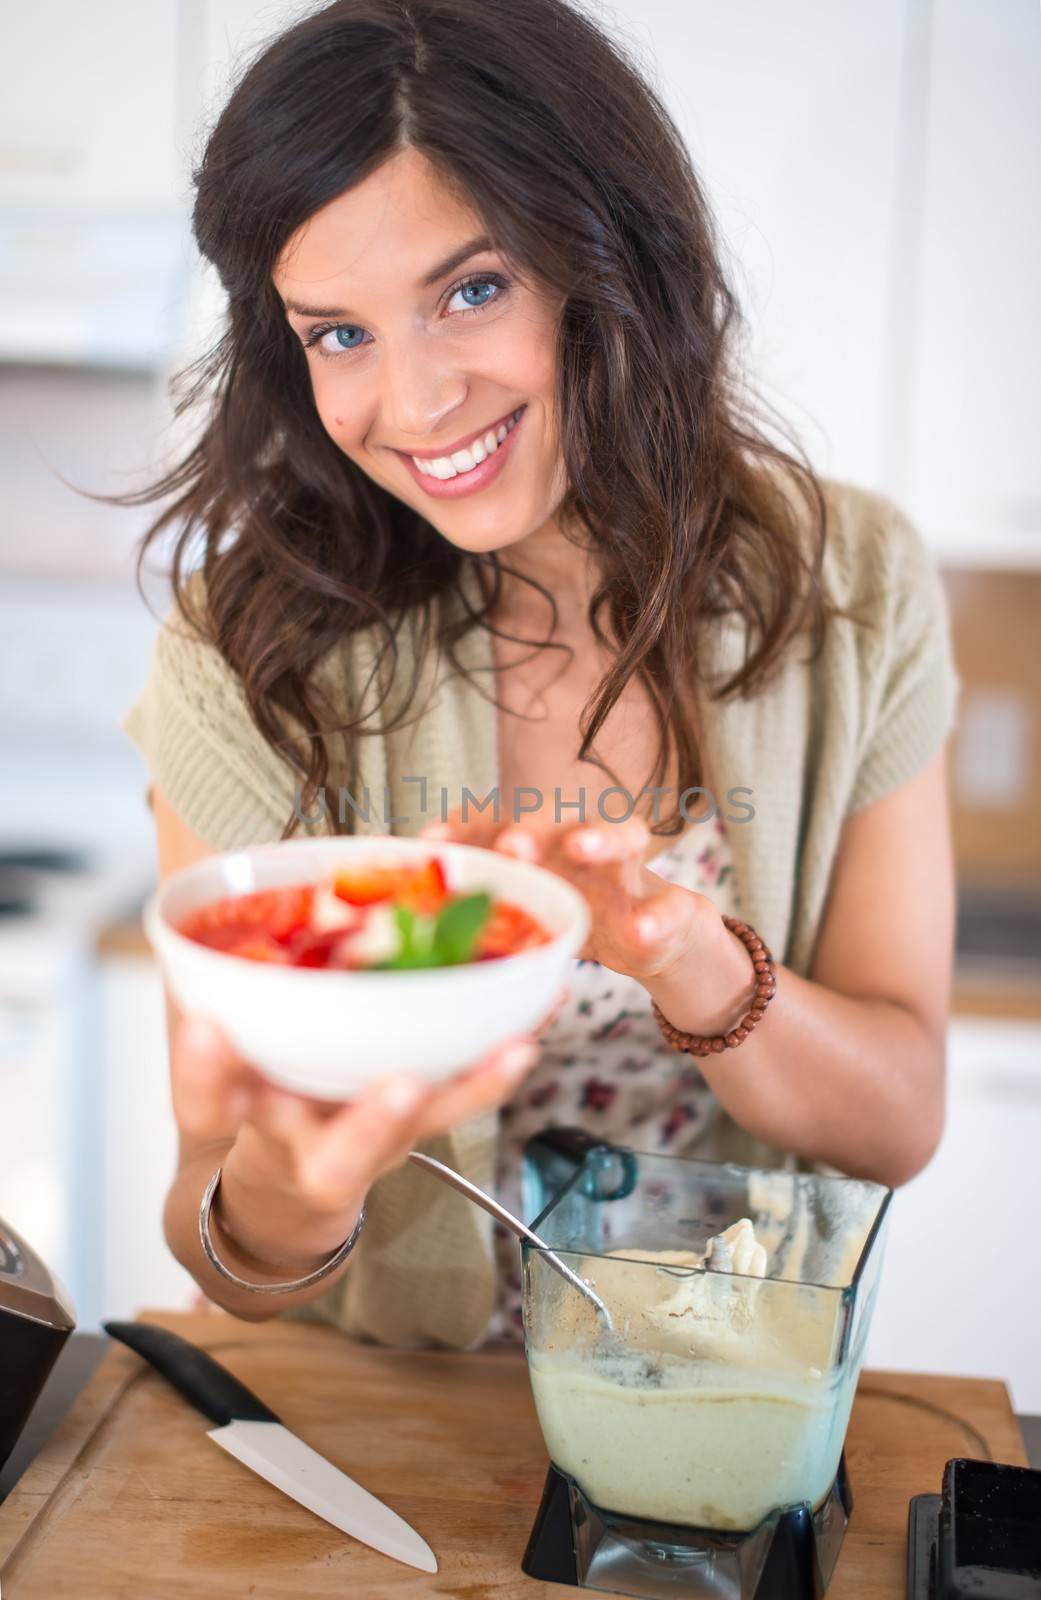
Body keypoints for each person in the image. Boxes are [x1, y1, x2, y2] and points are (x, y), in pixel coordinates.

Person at [115, 0, 959, 1349]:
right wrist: (295, 1175)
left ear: (610, 257)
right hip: (389, 1425)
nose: (415, 401)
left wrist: (680, 950)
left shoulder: (845, 583)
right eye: (339, 333)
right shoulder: (248, 649)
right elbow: (220, 1245)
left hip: (720, 1398)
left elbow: (895, 1123)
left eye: (469, 289)